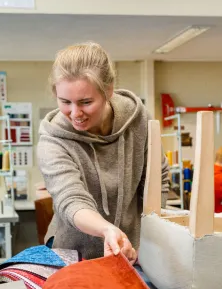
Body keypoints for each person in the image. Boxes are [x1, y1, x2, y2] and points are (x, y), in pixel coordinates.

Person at [37, 42, 170, 263]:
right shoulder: (53, 139)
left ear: (108, 90)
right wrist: (108, 230)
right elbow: (71, 200)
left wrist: (148, 240)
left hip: (132, 252)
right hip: (73, 254)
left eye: (86, 102)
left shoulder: (138, 121)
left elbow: (158, 180)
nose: (75, 113)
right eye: (65, 102)